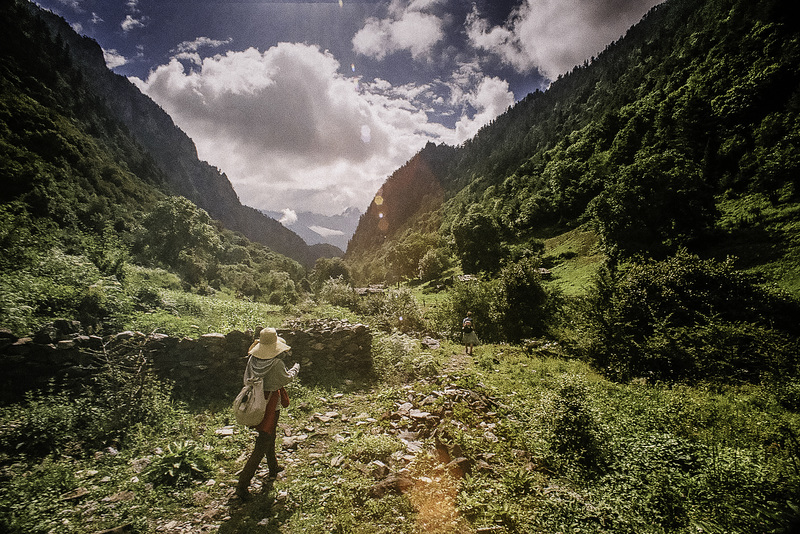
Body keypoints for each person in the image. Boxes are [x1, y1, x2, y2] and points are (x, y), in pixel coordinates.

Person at [236, 327, 299, 500]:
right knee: (264, 439)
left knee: (270, 433)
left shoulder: (252, 359)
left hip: (256, 399)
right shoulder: (276, 363)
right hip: (270, 402)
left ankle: (273, 466)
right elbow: (285, 379)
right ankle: (242, 485)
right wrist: (295, 369)